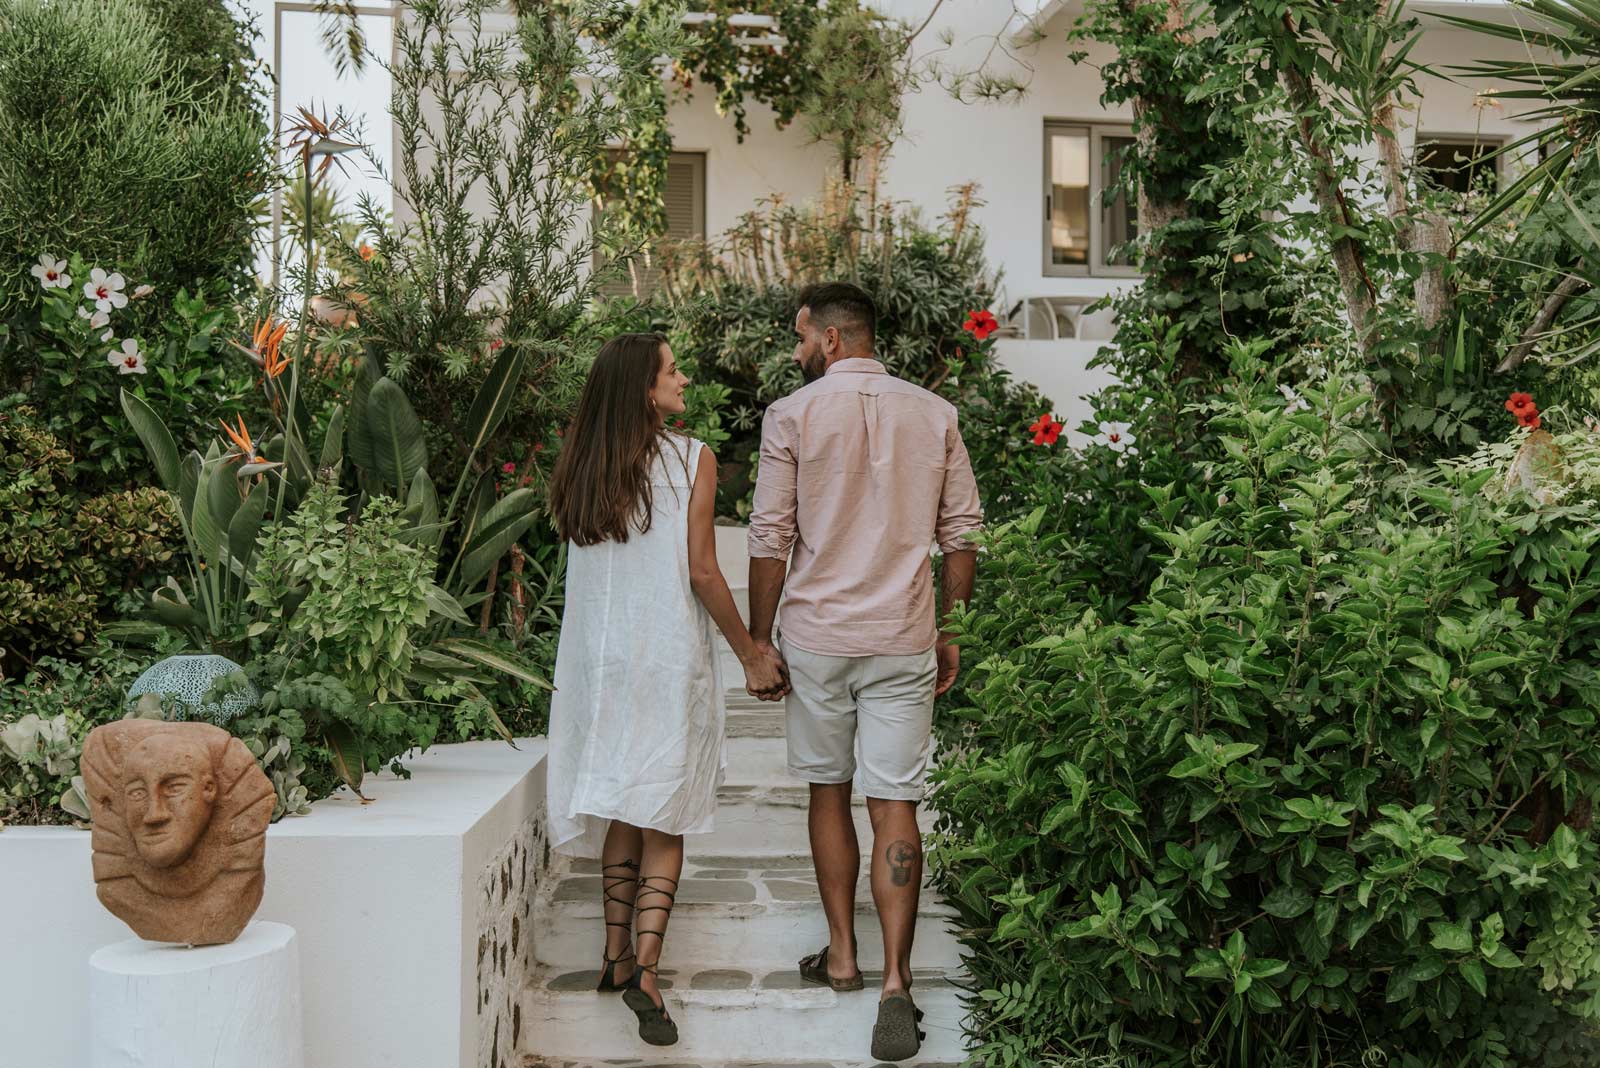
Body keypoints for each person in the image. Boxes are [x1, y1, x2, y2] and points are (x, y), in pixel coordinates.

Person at [746, 283, 983, 1062]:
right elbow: (960, 537)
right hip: (903, 634)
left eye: (801, 336)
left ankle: (843, 956)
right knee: (895, 805)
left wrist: (758, 641)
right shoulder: (935, 414)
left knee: (828, 790)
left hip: (817, 636)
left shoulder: (792, 415)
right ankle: (897, 984)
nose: (796, 350)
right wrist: (952, 632)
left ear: (834, 339)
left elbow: (770, 538)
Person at [545, 332, 790, 1047]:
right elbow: (705, 572)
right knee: (666, 816)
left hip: (600, 665)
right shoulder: (690, 460)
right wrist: (749, 652)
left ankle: (612, 954)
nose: (683, 379)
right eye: (672, 371)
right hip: (666, 658)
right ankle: (647, 973)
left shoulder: (583, 465)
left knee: (624, 800)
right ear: (644, 390)